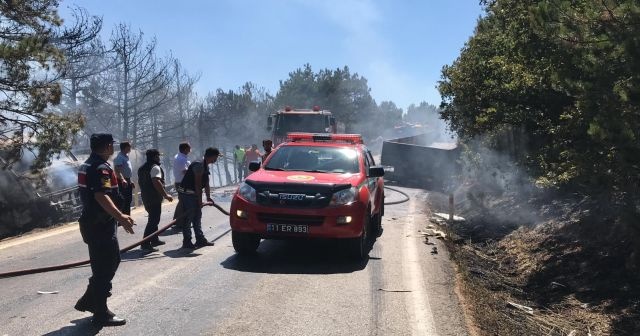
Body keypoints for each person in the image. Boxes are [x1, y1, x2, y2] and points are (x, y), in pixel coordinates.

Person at [74, 133, 135, 326]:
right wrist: (121, 216)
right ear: (107, 146)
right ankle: (100, 312)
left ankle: (89, 300)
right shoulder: (100, 167)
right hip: (100, 224)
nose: (113, 149)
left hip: (94, 223)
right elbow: (101, 196)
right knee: (106, 266)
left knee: (104, 264)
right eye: (112, 146)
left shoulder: (89, 164)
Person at [179, 147, 220, 249]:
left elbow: (205, 183)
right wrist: (200, 200)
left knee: (197, 216)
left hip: (193, 194)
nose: (217, 159)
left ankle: (200, 239)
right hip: (187, 194)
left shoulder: (205, 165)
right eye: (216, 157)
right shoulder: (199, 165)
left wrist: (208, 197)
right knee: (189, 217)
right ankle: (187, 241)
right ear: (213, 156)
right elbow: (197, 184)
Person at [138, 149, 173, 251]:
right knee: (153, 220)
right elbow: (156, 182)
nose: (159, 158)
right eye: (158, 156)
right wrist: (166, 195)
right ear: (154, 157)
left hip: (146, 196)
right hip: (154, 197)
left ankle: (154, 239)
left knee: (154, 218)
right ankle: (145, 243)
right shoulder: (155, 167)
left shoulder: (142, 168)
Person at [172, 142, 191, 231]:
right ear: (185, 149)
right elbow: (185, 172)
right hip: (182, 183)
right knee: (184, 202)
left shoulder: (181, 157)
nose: (190, 150)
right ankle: (179, 222)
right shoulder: (181, 159)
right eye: (189, 148)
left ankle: (177, 221)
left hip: (181, 182)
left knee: (182, 202)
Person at [113, 141, 133, 215]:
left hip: (127, 180)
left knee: (128, 199)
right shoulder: (119, 157)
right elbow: (117, 171)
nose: (130, 148)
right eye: (129, 147)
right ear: (125, 147)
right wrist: (123, 179)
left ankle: (128, 216)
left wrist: (130, 181)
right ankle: (123, 217)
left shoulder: (125, 157)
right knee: (124, 199)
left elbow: (126, 171)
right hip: (122, 181)